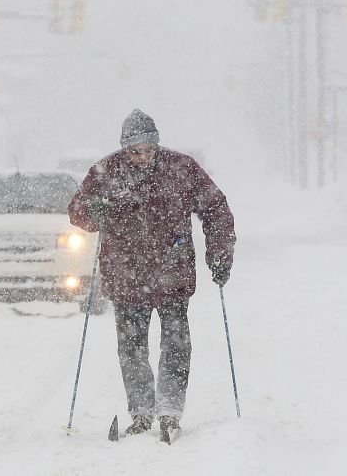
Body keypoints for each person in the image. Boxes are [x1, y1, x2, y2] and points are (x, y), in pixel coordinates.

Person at [67, 108, 236, 444]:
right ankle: (141, 411)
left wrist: (218, 254)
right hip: (125, 276)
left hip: (172, 275)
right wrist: (93, 211)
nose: (142, 156)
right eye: (135, 150)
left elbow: (215, 208)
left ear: (157, 145)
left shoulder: (181, 168)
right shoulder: (106, 171)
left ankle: (170, 409)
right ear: (124, 148)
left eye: (148, 149)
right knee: (131, 350)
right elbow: (77, 210)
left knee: (176, 346)